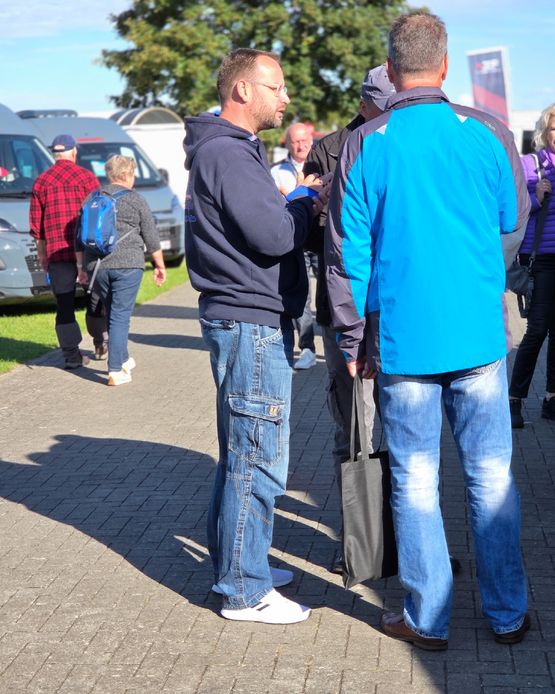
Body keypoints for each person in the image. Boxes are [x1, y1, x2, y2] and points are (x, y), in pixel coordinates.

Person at [325, 12, 530, 649]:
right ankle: (507, 614)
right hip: (478, 337)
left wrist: (352, 338)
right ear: (443, 65)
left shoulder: (366, 143)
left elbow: (347, 255)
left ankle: (428, 618)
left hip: (403, 340)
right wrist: (483, 283)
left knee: (416, 479)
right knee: (491, 475)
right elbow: (512, 223)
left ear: (390, 70)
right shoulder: (488, 133)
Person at [184, 48, 326, 624]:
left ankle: (241, 563)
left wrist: (289, 202)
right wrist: (303, 203)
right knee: (257, 456)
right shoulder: (229, 152)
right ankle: (244, 588)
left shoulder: (226, 149)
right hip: (249, 320)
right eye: (276, 87)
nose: (285, 98)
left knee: (241, 451)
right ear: (243, 90)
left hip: (242, 317)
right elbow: (272, 236)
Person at [303, 65, 395, 573]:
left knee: (404, 429)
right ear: (366, 104)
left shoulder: (402, 139)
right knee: (354, 430)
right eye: (387, 104)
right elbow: (315, 233)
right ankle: (358, 545)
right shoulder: (330, 148)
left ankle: (405, 542)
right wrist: (319, 202)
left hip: (395, 309)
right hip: (343, 311)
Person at [76, 155, 166, 386]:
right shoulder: (136, 200)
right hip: (128, 265)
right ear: (127, 175)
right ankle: (115, 370)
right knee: (119, 316)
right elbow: (151, 237)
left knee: (113, 313)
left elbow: (79, 238)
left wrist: (81, 268)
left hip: (96, 266)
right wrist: (159, 265)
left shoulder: (92, 198)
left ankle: (123, 358)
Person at [30, 134, 107, 368]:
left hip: (57, 253)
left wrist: (42, 255)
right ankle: (100, 342)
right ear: (74, 152)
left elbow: (37, 228)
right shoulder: (87, 178)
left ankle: (71, 355)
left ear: (54, 154)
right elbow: (99, 215)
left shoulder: (41, 182)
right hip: (88, 250)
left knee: (64, 304)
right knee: (95, 298)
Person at [509, 103, 555, 427]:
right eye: (554, 128)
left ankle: (552, 398)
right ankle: (514, 399)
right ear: (544, 131)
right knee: (537, 329)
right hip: (541, 258)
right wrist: (536, 198)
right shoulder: (531, 165)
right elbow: (511, 210)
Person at [272, 123, 318, 370]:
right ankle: (307, 348)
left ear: (311, 139)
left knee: (331, 293)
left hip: (320, 237)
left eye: (304, 140)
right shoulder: (276, 171)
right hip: (295, 240)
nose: (301, 146)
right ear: (288, 143)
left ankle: (341, 346)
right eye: (295, 141)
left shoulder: (321, 164)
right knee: (303, 298)